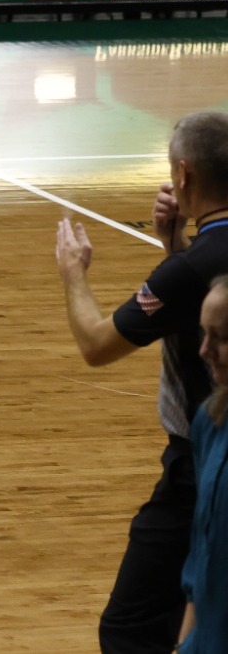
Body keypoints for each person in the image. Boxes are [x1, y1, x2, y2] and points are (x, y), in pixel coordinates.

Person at [55, 110, 228, 654]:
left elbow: (96, 345)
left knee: (132, 628)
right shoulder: (193, 263)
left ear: (183, 174)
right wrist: (173, 245)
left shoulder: (187, 271)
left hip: (202, 466)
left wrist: (73, 274)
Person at [180, 275, 228, 654]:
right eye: (203, 334)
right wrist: (185, 644)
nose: (204, 350)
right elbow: (201, 553)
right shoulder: (209, 421)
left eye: (221, 338)